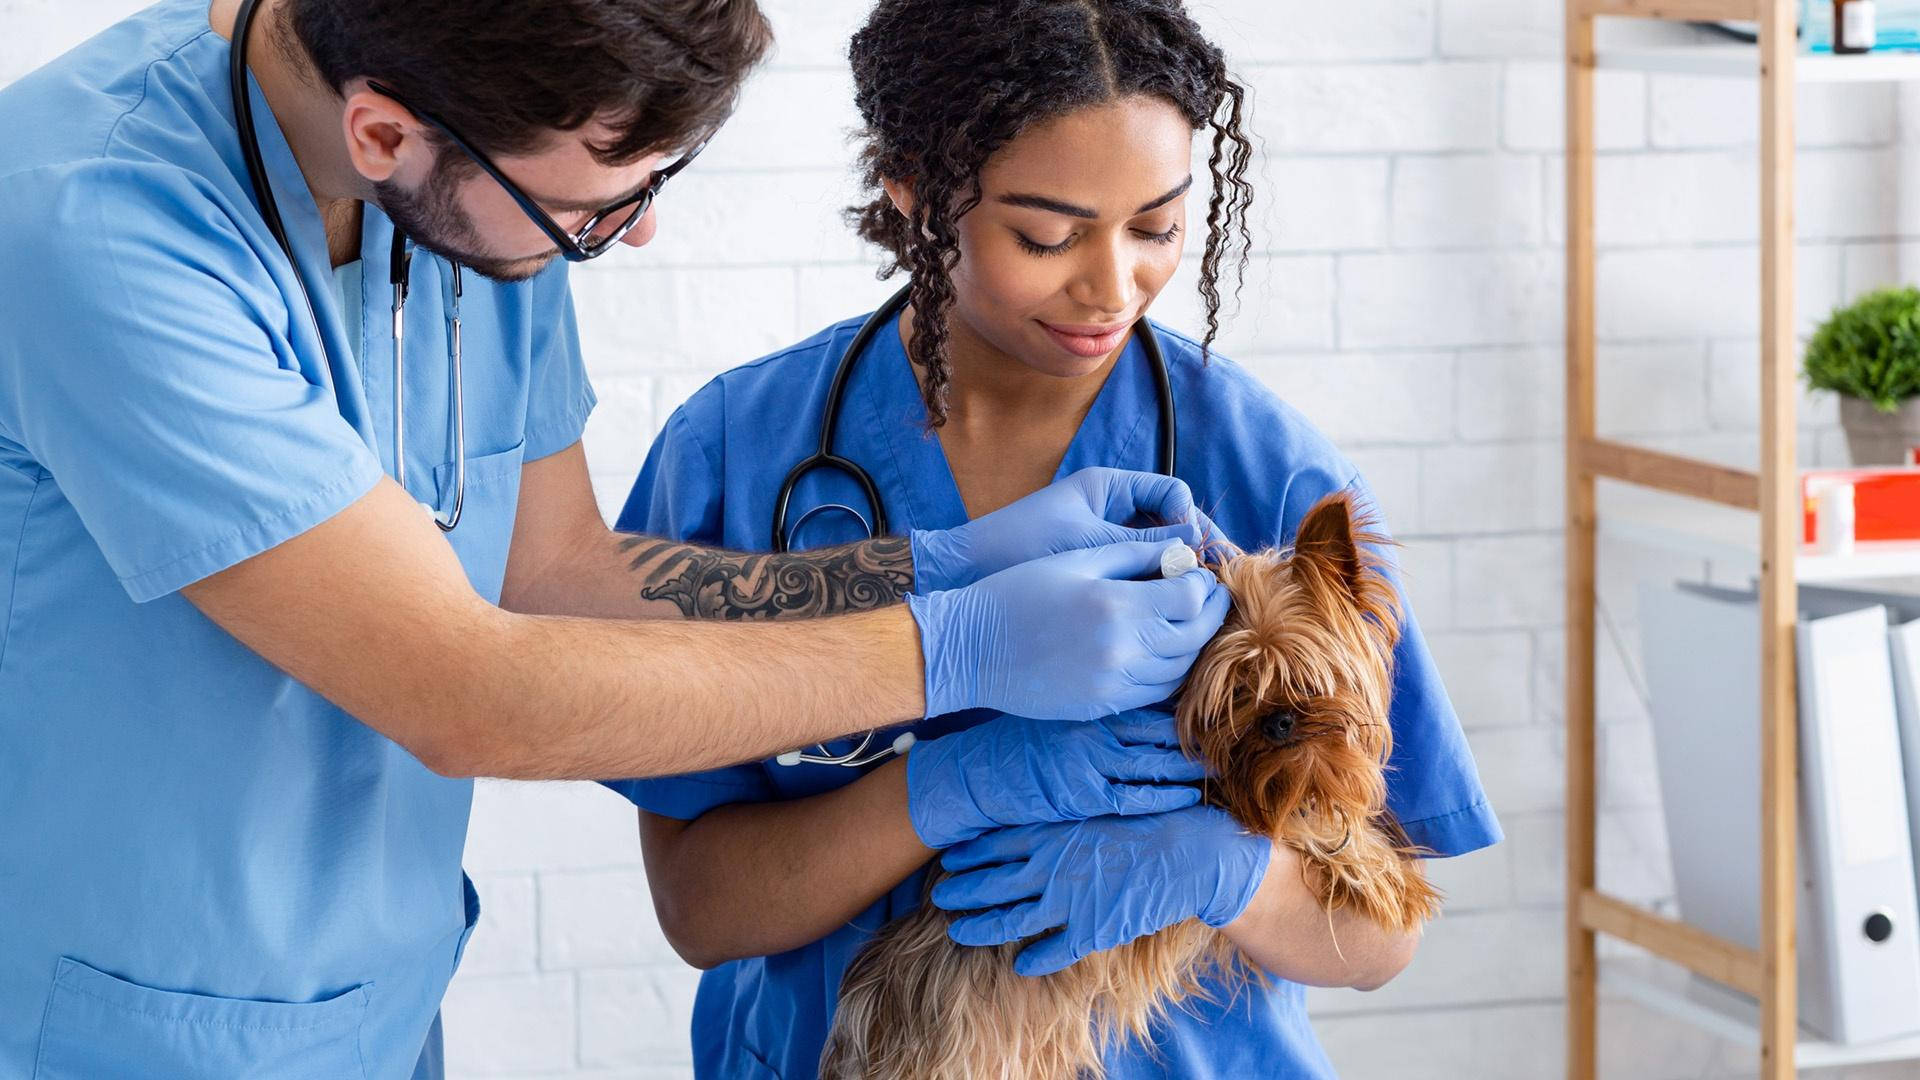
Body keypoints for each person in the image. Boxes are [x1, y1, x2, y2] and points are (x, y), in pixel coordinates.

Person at [0, 1, 1231, 1076]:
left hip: (367, 1006)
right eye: (598, 206)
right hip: (113, 1027)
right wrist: (956, 648)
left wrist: (939, 562)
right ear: (384, 134)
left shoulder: (471, 189)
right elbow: (468, 691)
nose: (631, 233)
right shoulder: (95, 229)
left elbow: (559, 575)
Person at [613, 1, 1503, 1077]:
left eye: (1158, 228)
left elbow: (1381, 940)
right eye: (1046, 235)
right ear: (911, 187)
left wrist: (1224, 875)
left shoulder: (1273, 474)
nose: (1111, 285)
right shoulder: (737, 454)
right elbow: (702, 912)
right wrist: (947, 787)